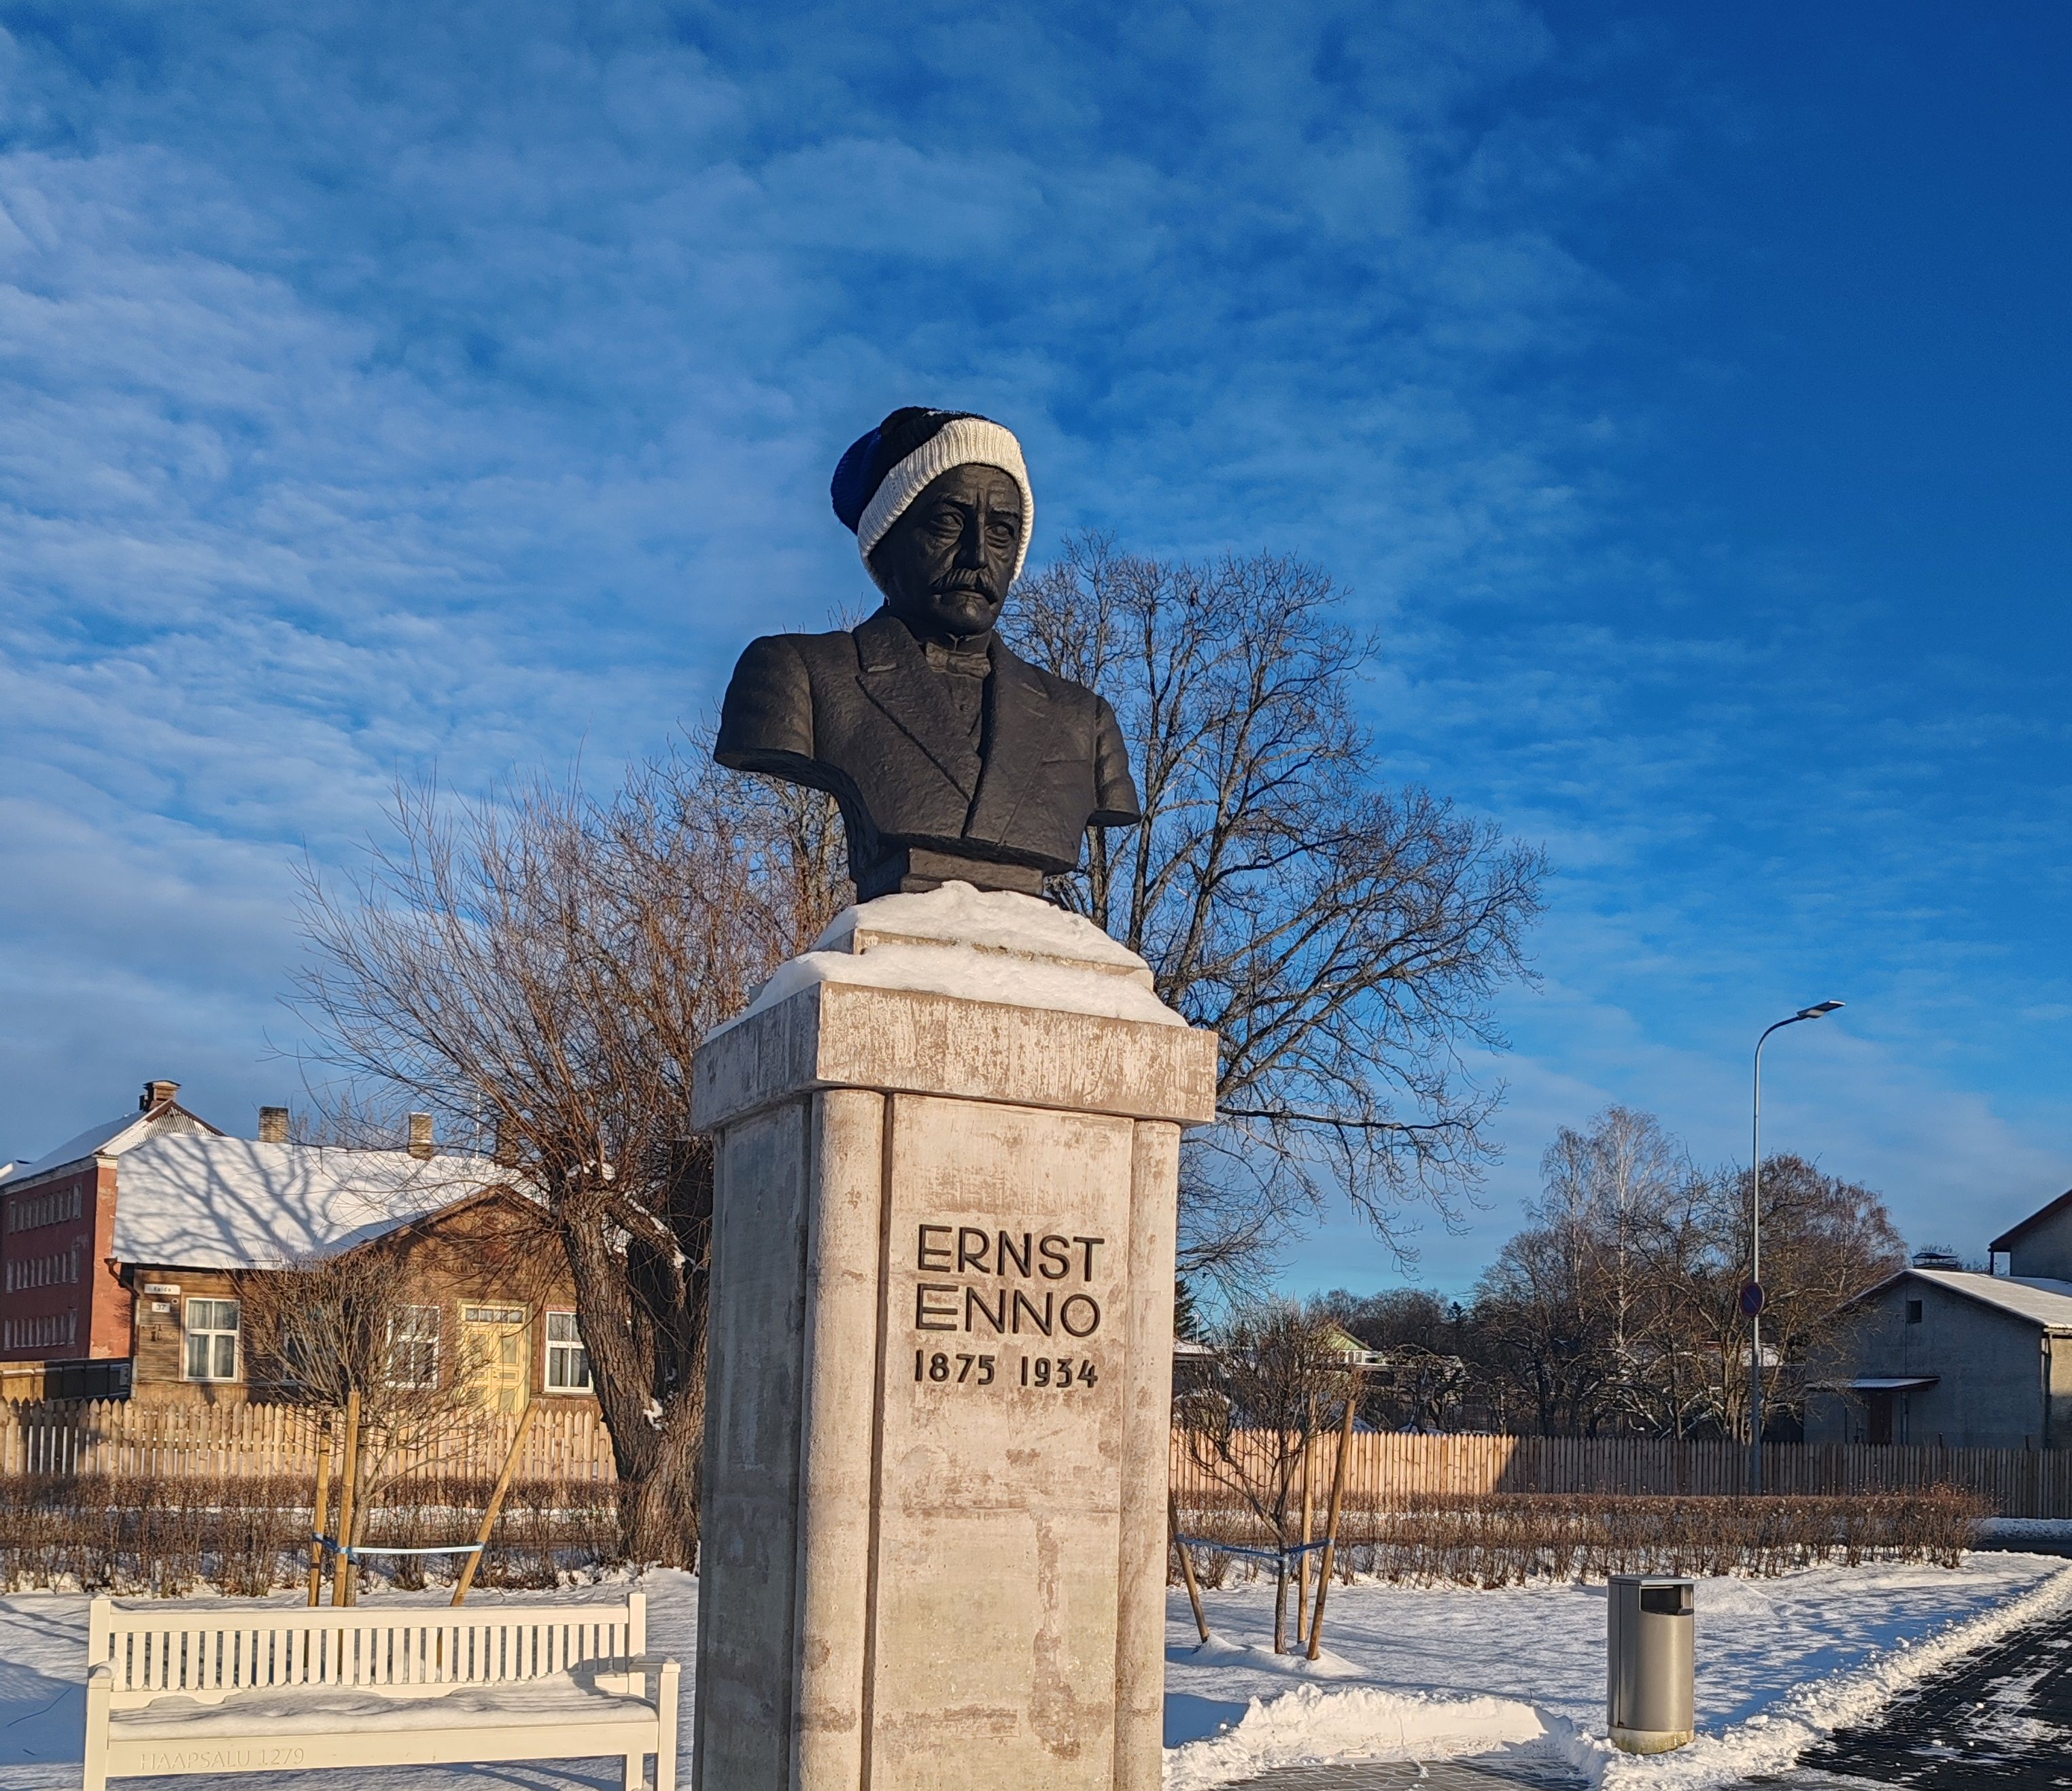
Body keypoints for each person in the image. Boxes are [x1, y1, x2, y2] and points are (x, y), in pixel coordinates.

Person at [714, 407, 1141, 900]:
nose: (977, 555)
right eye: (947, 522)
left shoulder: (1084, 719)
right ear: (885, 544)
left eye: (1002, 531)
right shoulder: (797, 674)